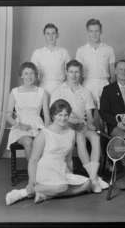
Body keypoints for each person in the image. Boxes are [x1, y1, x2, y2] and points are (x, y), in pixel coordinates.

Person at [5, 99, 91, 206]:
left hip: (62, 168)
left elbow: (69, 159)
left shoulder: (71, 133)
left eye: (66, 115)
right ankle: (21, 193)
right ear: (53, 116)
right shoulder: (43, 134)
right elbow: (33, 159)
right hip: (46, 168)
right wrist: (31, 180)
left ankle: (45, 194)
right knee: (63, 187)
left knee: (87, 183)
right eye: (59, 115)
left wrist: (71, 176)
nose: (63, 118)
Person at [50, 60, 109, 193]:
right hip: (64, 126)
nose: (74, 75)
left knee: (95, 138)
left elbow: (89, 115)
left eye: (77, 72)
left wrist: (90, 125)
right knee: (80, 139)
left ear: (81, 73)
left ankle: (93, 177)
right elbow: (55, 115)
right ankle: (94, 179)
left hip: (81, 125)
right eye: (71, 71)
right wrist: (72, 125)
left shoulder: (85, 91)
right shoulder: (58, 91)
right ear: (66, 72)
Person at [6, 62, 50, 161]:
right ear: (21, 75)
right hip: (20, 128)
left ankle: (42, 172)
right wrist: (20, 125)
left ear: (35, 75)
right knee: (28, 142)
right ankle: (33, 172)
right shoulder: (14, 92)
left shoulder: (42, 92)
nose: (29, 77)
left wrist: (47, 131)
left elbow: (47, 116)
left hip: (38, 127)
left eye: (32, 73)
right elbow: (8, 116)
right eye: (26, 74)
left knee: (42, 143)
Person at [75, 19, 115, 109]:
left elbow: (113, 75)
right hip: (87, 84)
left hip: (104, 84)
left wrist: (109, 88)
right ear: (88, 32)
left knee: (106, 114)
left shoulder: (109, 49)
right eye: (91, 31)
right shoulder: (81, 50)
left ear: (101, 31)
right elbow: (78, 74)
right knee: (88, 114)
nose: (94, 34)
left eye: (96, 30)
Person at [31, 23, 71, 96]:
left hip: (61, 88)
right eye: (48, 34)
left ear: (57, 35)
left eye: (53, 33)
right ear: (44, 35)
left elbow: (69, 73)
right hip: (43, 87)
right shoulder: (37, 53)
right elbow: (33, 75)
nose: (51, 37)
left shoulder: (64, 52)